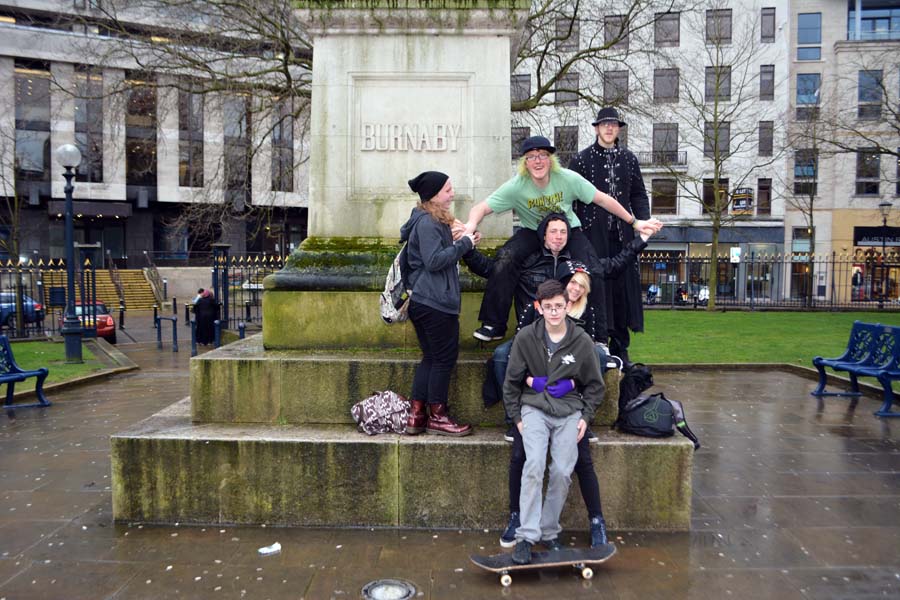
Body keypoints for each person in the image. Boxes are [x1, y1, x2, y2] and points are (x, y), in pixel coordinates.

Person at [463, 135, 661, 342]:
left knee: (593, 270)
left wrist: (634, 222)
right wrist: (470, 226)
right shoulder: (516, 186)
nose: (537, 161)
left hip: (567, 230)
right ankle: (494, 324)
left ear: (550, 160)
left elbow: (603, 199)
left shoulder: (567, 178)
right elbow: (481, 208)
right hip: (532, 231)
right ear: (525, 163)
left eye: (542, 155)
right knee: (505, 258)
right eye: (531, 157)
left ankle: (600, 339)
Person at [503, 279, 605, 565]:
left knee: (561, 470)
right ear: (539, 307)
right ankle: (526, 535)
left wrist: (585, 416)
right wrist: (517, 417)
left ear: (568, 305)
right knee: (533, 464)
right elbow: (510, 382)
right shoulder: (526, 337)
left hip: (569, 411)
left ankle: (549, 530)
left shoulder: (581, 341)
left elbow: (595, 386)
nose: (554, 313)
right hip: (534, 409)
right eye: (548, 308)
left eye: (559, 307)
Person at [400, 171, 480, 437]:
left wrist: (461, 242)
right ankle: (438, 416)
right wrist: (465, 245)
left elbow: (432, 256)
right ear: (433, 195)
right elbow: (434, 261)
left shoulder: (428, 220)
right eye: (447, 190)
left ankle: (416, 415)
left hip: (424, 300)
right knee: (444, 359)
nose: (452, 193)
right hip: (435, 302)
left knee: (431, 357)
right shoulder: (428, 223)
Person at [570, 107, 650, 365]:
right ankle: (598, 341)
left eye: (613, 124)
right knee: (597, 287)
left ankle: (621, 345)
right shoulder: (581, 160)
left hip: (624, 234)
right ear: (596, 128)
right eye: (604, 124)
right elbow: (570, 199)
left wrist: (643, 223)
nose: (608, 128)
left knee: (623, 289)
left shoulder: (629, 159)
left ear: (618, 129)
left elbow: (638, 194)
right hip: (593, 236)